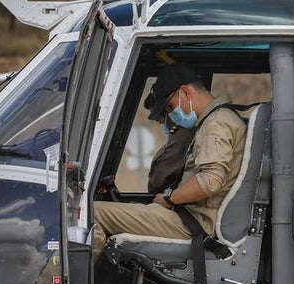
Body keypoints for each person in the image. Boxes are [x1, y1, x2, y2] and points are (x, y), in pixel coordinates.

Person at [91, 63, 246, 261]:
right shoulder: (217, 120)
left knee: (93, 212)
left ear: (185, 92)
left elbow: (210, 180)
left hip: (195, 222)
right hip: (192, 217)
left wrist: (170, 198)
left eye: (170, 107)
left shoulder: (215, 123)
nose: (171, 114)